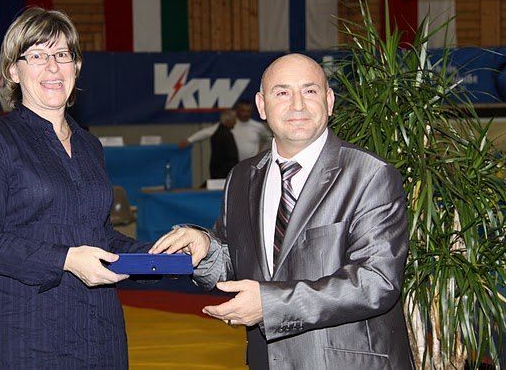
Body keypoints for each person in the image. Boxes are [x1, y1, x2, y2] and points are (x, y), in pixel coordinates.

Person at [151, 54, 414, 369]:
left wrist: (271, 304)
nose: (297, 105)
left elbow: (376, 281)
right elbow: (235, 261)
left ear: (329, 101)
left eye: (310, 91)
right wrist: (206, 248)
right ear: (262, 106)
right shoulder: (242, 177)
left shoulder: (370, 174)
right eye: (282, 92)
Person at [0, 7, 150, 368]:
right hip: (24, 334)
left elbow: (100, 236)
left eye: (62, 55)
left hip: (98, 332)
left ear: (76, 66)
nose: (53, 67)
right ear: (13, 71)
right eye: (37, 56)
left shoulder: (89, 145)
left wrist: (164, 255)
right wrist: (66, 259)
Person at [179, 99, 271, 161]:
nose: (245, 114)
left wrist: (262, 154)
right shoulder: (229, 123)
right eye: (243, 110)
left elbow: (271, 139)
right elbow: (207, 132)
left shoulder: (258, 126)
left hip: (251, 165)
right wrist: (189, 140)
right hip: (232, 166)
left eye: (248, 111)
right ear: (237, 110)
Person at [209, 109, 239, 179]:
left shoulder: (216, 134)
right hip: (225, 173)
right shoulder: (226, 135)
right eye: (234, 120)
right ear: (227, 121)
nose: (235, 122)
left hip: (217, 171)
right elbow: (231, 157)